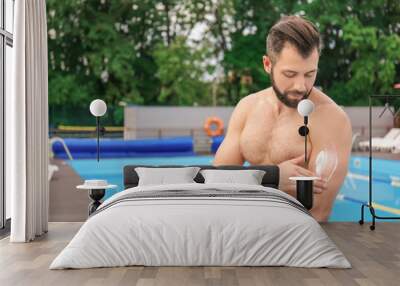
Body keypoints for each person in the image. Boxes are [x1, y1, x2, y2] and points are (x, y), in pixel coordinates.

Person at [213, 15, 352, 222]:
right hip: (242, 231)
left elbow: (317, 213)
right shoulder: (247, 108)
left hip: (292, 243)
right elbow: (216, 184)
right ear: (268, 64)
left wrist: (255, 181)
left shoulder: (330, 119)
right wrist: (273, 177)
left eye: (309, 74)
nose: (301, 86)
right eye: (290, 74)